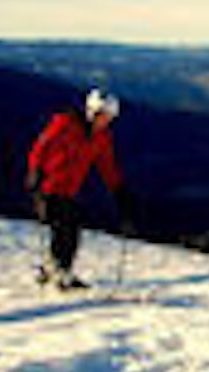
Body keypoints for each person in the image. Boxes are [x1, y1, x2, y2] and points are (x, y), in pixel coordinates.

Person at [26, 88, 134, 290]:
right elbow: (41, 146)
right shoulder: (65, 124)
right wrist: (35, 172)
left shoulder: (101, 137)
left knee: (69, 228)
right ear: (92, 112)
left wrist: (119, 191)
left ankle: (53, 269)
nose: (105, 121)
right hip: (49, 185)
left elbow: (107, 165)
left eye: (109, 117)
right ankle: (59, 272)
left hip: (70, 189)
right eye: (103, 116)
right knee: (66, 228)